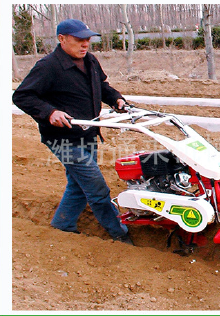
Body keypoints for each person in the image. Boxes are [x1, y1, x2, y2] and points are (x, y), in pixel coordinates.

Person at [12, 19, 133, 245]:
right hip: (62, 140)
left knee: (79, 184)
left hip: (88, 133)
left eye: (87, 39)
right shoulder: (48, 66)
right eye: (79, 40)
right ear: (62, 39)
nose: (85, 44)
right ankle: (120, 233)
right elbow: (22, 96)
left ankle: (63, 225)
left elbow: (103, 86)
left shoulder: (90, 61)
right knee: (97, 188)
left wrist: (117, 99)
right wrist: (49, 112)